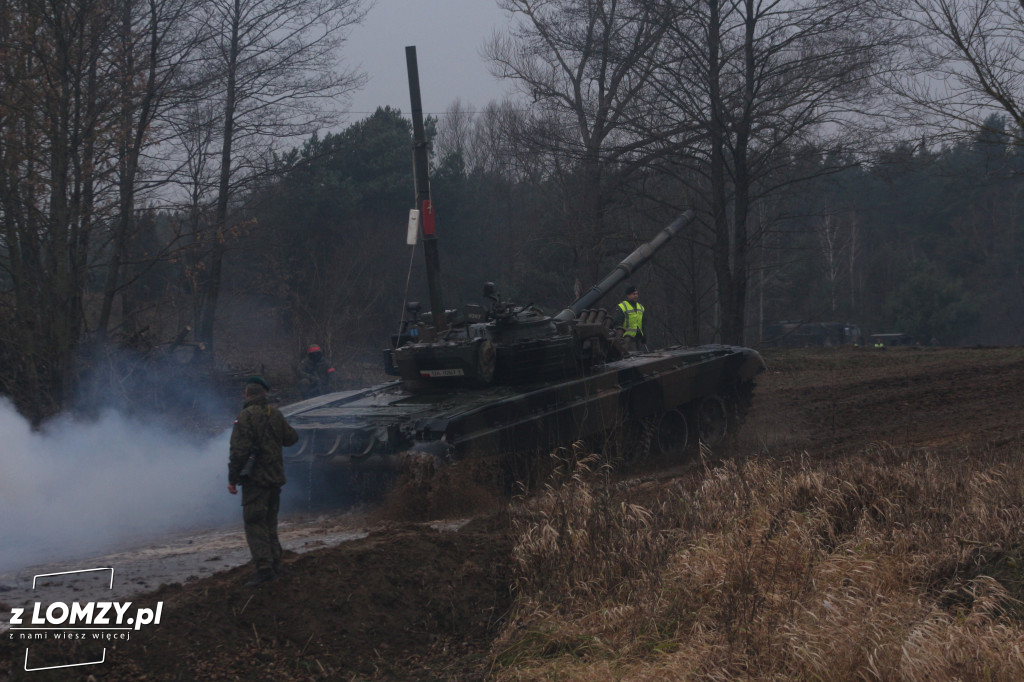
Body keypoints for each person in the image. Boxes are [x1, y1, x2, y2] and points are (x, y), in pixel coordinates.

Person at [227, 376, 299, 586]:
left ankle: (264, 569)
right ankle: (276, 563)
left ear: (247, 394)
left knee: (255, 522)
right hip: (275, 478)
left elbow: (238, 452)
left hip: (255, 480)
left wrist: (232, 479)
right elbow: (291, 439)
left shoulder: (245, 417)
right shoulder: (275, 414)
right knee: (270, 522)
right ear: (264, 394)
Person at [613, 285, 647, 351]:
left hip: (638, 338)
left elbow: (643, 324)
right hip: (626, 340)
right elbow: (617, 323)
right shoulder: (622, 306)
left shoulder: (641, 307)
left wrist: (644, 336)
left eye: (637, 294)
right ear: (628, 295)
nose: (636, 296)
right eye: (633, 294)